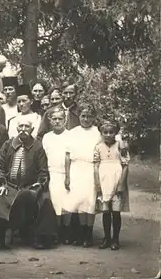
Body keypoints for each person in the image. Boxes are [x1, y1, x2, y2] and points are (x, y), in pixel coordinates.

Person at [0, 116, 57, 249]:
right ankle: (0, 237)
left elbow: (43, 170)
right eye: (21, 127)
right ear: (16, 128)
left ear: (32, 129)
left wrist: (39, 184)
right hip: (10, 186)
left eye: (27, 127)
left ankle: (40, 237)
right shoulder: (8, 144)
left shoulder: (37, 147)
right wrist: (2, 184)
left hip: (30, 186)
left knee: (45, 201)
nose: (23, 130)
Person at [62, 104, 101, 247]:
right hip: (76, 168)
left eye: (89, 116)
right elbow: (67, 156)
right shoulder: (72, 132)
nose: (86, 119)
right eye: (83, 116)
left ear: (94, 118)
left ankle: (88, 235)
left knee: (89, 202)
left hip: (90, 169)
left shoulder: (98, 133)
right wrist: (67, 176)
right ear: (78, 116)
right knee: (77, 202)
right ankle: (80, 234)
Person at [94, 120, 130, 251]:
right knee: (106, 211)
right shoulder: (98, 147)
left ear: (116, 133)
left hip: (116, 179)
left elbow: (125, 165)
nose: (108, 135)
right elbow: (96, 165)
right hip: (103, 181)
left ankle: (115, 239)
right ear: (101, 133)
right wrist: (97, 183)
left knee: (115, 211)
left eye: (111, 132)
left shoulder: (121, 146)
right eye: (105, 132)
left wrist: (121, 184)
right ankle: (106, 238)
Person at [41, 107, 69, 243]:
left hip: (67, 173)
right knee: (54, 203)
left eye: (60, 119)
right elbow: (44, 157)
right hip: (52, 173)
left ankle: (67, 231)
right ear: (50, 121)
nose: (57, 121)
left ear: (65, 120)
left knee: (67, 203)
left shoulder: (70, 136)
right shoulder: (47, 137)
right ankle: (56, 232)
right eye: (54, 119)